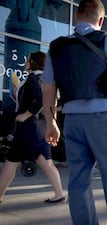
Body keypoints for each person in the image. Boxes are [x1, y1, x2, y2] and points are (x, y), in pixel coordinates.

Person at [41, 1, 107, 224]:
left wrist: (51, 123)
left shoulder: (56, 47)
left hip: (73, 121)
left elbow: (48, 88)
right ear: (101, 20)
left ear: (76, 15)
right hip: (105, 119)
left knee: (78, 182)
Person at [0, 51, 64, 204]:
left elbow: (42, 100)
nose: (26, 62)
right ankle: (59, 194)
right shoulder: (43, 79)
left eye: (28, 60)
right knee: (44, 161)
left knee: (12, 161)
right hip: (38, 126)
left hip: (29, 127)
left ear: (34, 61)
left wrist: (26, 114)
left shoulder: (35, 78)